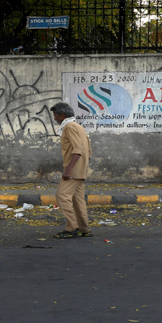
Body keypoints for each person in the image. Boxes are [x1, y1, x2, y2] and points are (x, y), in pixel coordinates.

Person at [50, 102, 91, 239]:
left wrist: (68, 170)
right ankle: (84, 228)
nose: (55, 118)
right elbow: (88, 150)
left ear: (62, 115)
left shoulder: (69, 127)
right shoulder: (79, 127)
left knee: (62, 195)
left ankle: (72, 227)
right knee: (78, 200)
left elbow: (77, 150)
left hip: (73, 170)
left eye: (56, 115)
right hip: (80, 169)